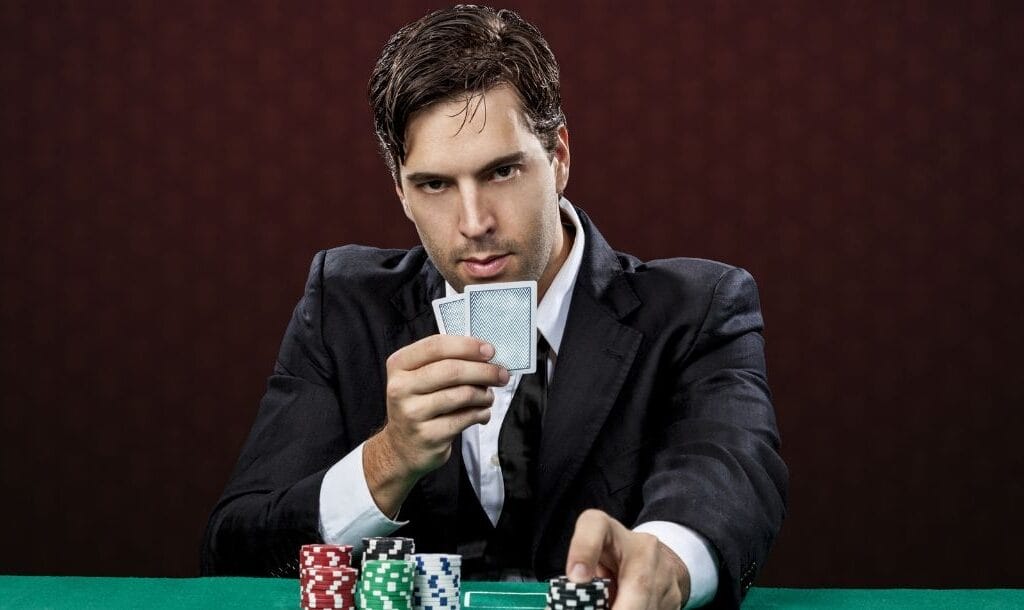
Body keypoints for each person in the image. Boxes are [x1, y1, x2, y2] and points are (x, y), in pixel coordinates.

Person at [201, 6, 787, 610]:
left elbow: (730, 474)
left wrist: (666, 560)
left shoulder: (699, 308)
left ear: (558, 156)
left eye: (502, 171)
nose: (474, 223)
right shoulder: (342, 305)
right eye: (435, 184)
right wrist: (386, 462)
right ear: (400, 189)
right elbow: (233, 550)